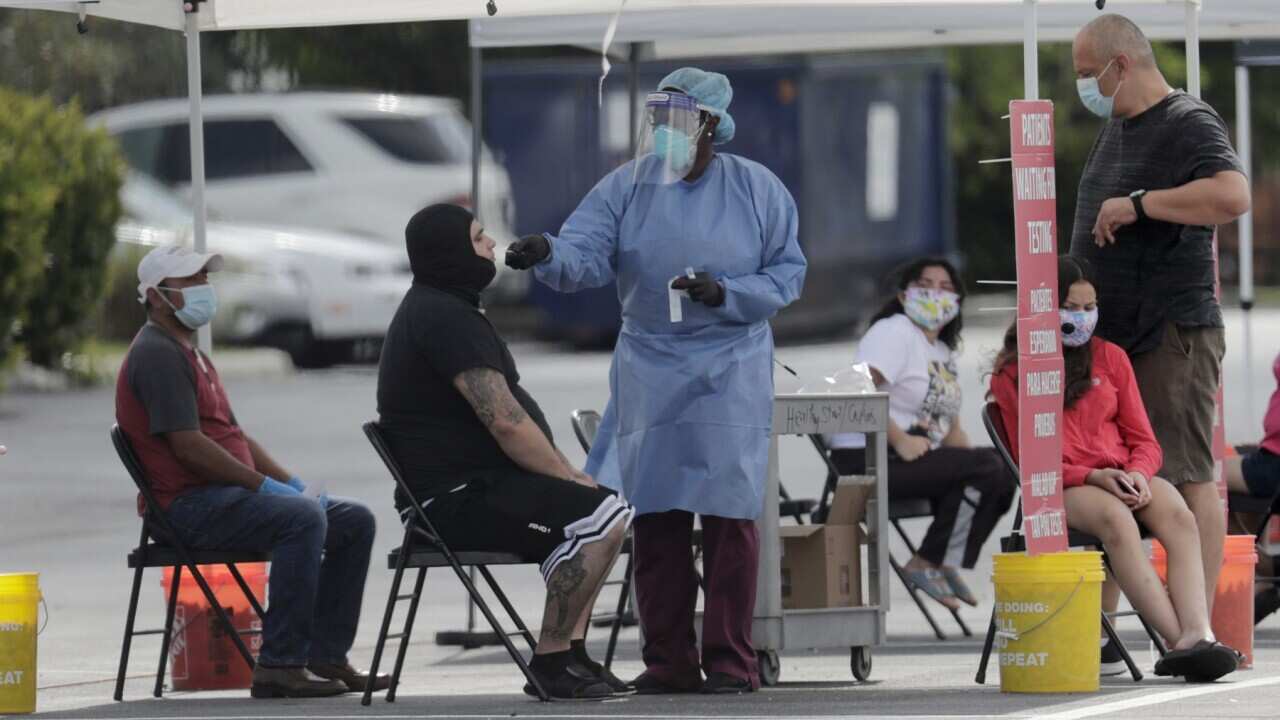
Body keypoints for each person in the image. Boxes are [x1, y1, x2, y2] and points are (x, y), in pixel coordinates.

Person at [505, 67, 806, 694]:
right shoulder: (626, 186)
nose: (665, 133)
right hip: (651, 363)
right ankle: (670, 659)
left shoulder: (757, 189)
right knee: (657, 516)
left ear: (710, 127)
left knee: (730, 517)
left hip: (731, 363)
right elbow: (584, 251)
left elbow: (786, 274)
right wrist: (548, 254)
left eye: (679, 121)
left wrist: (727, 292)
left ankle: (731, 659)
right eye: (658, 120)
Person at [376, 204, 631, 700]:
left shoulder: (447, 307)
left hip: (479, 487)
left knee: (610, 511)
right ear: (452, 252)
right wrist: (568, 476)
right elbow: (506, 423)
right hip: (450, 502)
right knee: (598, 514)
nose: (491, 245)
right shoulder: (442, 317)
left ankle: (572, 654)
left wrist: (570, 481)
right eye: (478, 238)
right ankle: (551, 662)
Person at [115, 245, 388, 699]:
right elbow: (189, 449)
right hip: (185, 507)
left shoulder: (191, 352)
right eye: (190, 282)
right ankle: (280, 665)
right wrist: (266, 489)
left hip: (224, 497)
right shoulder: (156, 355)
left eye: (205, 279)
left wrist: (293, 485)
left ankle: (324, 654)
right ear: (156, 296)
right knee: (301, 519)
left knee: (353, 521)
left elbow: (236, 437)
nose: (204, 289)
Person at [1069, 13, 1251, 615]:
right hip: (1116, 336)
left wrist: (1143, 206)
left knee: (1186, 472)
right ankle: (1110, 623)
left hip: (1170, 331)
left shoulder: (1187, 121)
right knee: (1124, 472)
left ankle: (1204, 623)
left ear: (1123, 66)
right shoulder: (1119, 124)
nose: (1085, 87)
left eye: (1089, 74)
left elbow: (1232, 195)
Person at [991, 255, 1239, 682]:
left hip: (1123, 473)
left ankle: (1200, 630)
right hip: (1062, 481)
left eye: (1090, 308)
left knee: (1178, 512)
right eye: (1072, 307)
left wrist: (1140, 473)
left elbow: (1144, 439)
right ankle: (1180, 642)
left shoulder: (1112, 358)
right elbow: (1029, 458)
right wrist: (1092, 476)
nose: (1082, 318)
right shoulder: (1014, 374)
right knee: (1116, 520)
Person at [828, 258, 1014, 611]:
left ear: (957, 300)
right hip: (867, 457)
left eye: (945, 288)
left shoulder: (942, 351)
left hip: (913, 457)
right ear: (903, 295)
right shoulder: (894, 332)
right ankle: (926, 562)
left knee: (1002, 470)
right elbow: (856, 390)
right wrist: (898, 438)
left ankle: (944, 561)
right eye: (925, 285)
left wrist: (986, 464)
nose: (934, 294)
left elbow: (951, 430)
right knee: (987, 468)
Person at [1222, 350, 1280, 623]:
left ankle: (1264, 566)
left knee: (1204, 480)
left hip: (1275, 463)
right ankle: (1262, 577)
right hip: (1270, 452)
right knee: (1237, 472)